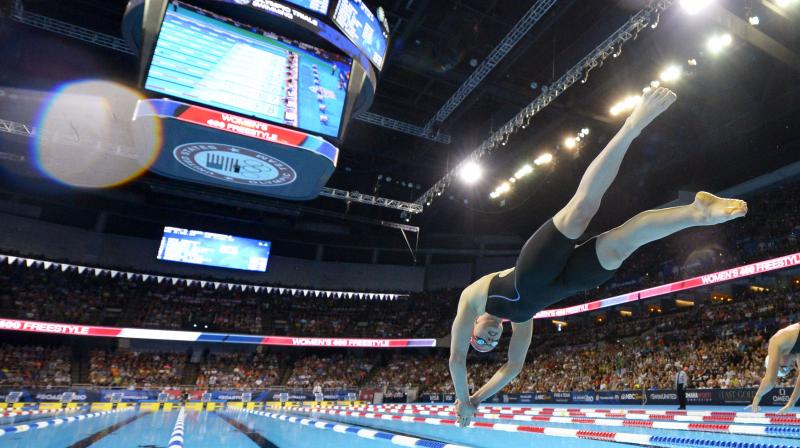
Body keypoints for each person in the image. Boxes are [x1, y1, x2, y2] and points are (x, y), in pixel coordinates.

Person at [448, 87, 749, 427]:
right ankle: (698, 212)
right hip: (565, 283)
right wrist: (476, 400)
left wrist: (462, 398)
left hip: (534, 267)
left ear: (473, 328)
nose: (490, 338)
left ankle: (632, 125)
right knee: (622, 244)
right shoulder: (521, 323)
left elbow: (457, 359)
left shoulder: (472, 300)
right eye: (493, 342)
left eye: (481, 340)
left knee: (581, 211)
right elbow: (513, 367)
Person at [748, 323, 800, 413]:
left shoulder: (776, 341)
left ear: (778, 360)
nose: (791, 367)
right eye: (788, 370)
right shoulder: (797, 351)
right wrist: (791, 403)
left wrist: (757, 397)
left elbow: (770, 381)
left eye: (785, 368)